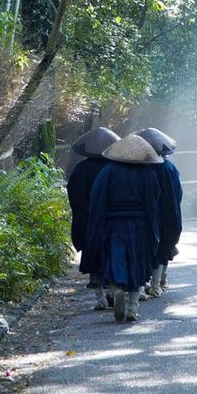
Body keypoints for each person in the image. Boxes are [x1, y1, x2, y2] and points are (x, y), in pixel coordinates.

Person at [85, 134, 162, 323]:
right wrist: (154, 230)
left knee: (114, 260)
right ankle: (133, 308)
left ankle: (116, 289)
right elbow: (153, 204)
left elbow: (97, 201)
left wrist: (96, 227)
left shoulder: (107, 172)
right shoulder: (148, 174)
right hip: (139, 225)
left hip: (113, 224)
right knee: (137, 263)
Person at [66, 127, 120, 309]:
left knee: (94, 258)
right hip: (112, 220)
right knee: (113, 255)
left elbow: (74, 197)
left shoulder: (81, 169)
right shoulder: (116, 168)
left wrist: (83, 217)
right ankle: (113, 290)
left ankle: (100, 300)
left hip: (89, 221)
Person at [133, 127, 182, 297]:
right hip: (164, 213)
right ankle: (156, 284)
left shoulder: (137, 168)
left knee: (143, 248)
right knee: (161, 247)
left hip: (142, 214)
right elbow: (175, 194)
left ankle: (143, 285)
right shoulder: (168, 167)